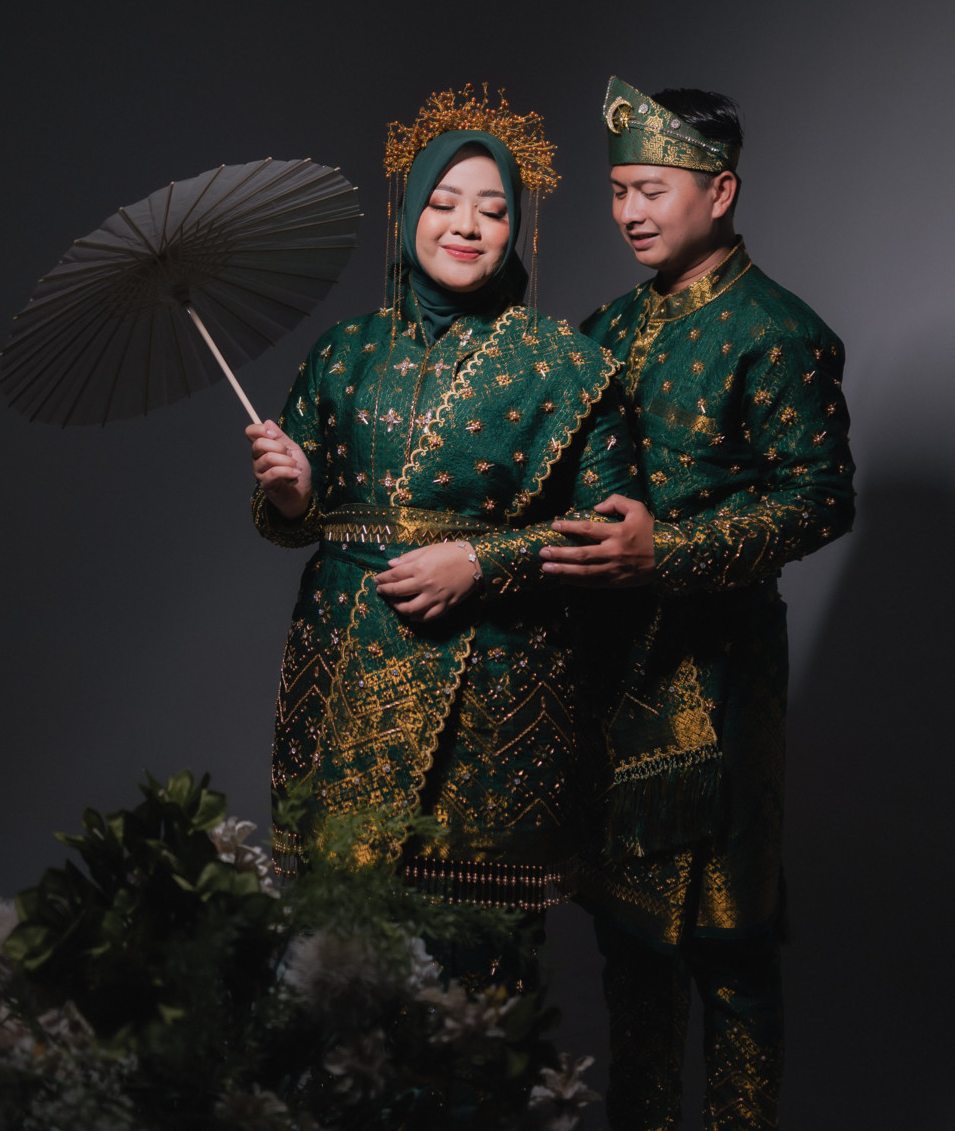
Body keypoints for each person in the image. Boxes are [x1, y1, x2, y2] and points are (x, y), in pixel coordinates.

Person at [246, 88, 637, 980]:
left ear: (516, 229)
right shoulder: (342, 352)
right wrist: (297, 497)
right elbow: (288, 526)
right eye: (444, 202)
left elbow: (609, 536)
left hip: (494, 694)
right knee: (335, 968)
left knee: (475, 977)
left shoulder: (569, 365)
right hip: (341, 679)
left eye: (493, 210)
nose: (467, 226)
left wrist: (481, 561)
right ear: (408, 213)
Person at [539, 77, 855, 1129]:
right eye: (618, 190)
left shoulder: (779, 332)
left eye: (653, 189)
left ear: (719, 192)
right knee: (628, 943)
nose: (629, 211)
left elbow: (820, 498)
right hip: (611, 675)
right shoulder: (606, 325)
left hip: (717, 684)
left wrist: (664, 551)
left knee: (728, 944)